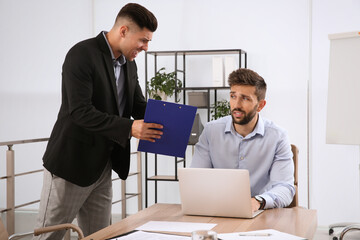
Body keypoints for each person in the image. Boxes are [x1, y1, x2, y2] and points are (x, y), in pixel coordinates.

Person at [34, 3, 163, 239]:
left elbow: (137, 106)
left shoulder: (129, 64)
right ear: (124, 31)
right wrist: (130, 128)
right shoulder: (82, 54)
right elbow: (80, 111)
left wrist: (174, 118)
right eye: (143, 40)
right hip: (70, 165)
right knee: (49, 236)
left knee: (100, 235)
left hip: (103, 168)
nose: (145, 47)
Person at [190, 68, 295, 212]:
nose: (236, 105)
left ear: (260, 105)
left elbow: (285, 187)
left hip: (261, 213)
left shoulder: (278, 137)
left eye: (245, 98)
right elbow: (197, 179)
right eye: (233, 96)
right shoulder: (210, 132)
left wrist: (258, 201)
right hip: (218, 211)